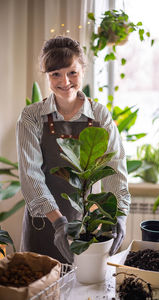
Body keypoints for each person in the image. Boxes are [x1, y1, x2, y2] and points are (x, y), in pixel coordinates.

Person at [16, 36, 131, 264]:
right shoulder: (31, 117)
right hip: (43, 225)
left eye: (72, 72)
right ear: (47, 75)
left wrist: (117, 215)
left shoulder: (99, 115)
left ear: (83, 70)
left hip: (83, 226)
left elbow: (115, 167)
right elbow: (31, 175)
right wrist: (58, 222)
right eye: (55, 74)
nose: (65, 81)